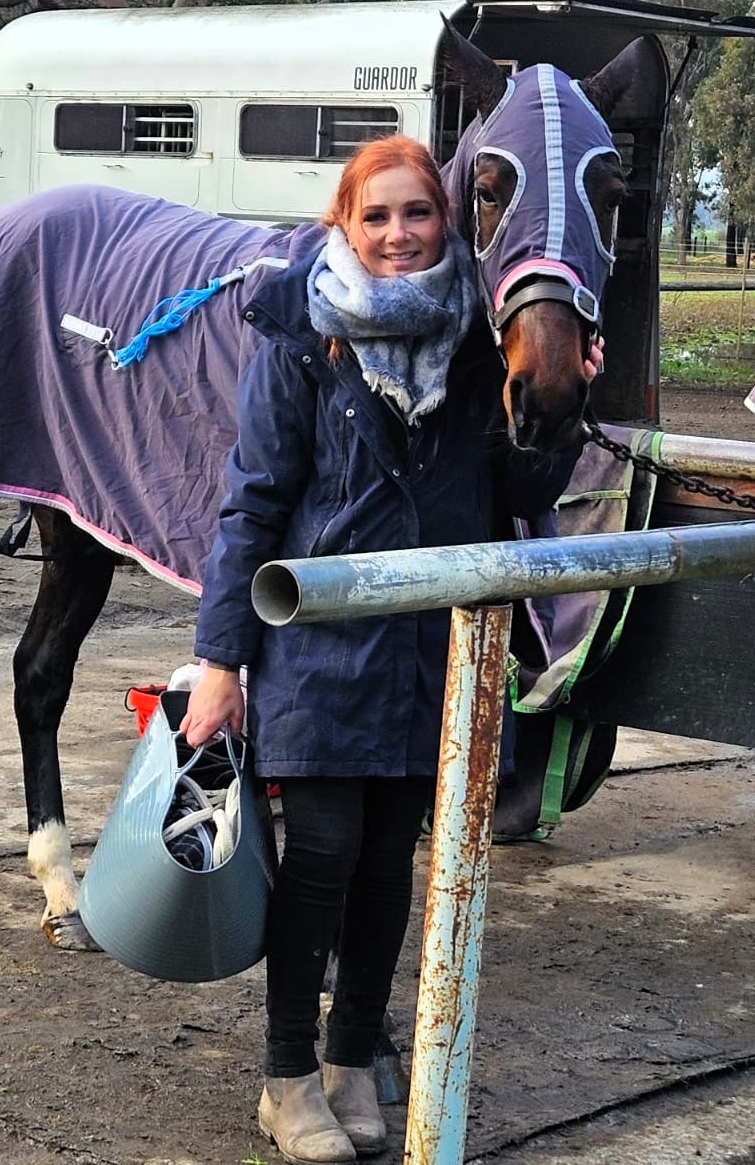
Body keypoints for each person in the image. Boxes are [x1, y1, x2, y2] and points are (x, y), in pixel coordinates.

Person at [180, 135, 593, 1163]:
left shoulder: (481, 342)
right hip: (321, 648)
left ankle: (351, 1062)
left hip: (427, 650)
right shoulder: (299, 333)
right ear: (345, 225)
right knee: (321, 858)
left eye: (417, 213)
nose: (398, 234)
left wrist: (560, 412)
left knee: (386, 871)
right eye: (377, 216)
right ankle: (285, 1080)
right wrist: (221, 662)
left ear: (446, 222)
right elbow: (252, 506)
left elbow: (519, 496)